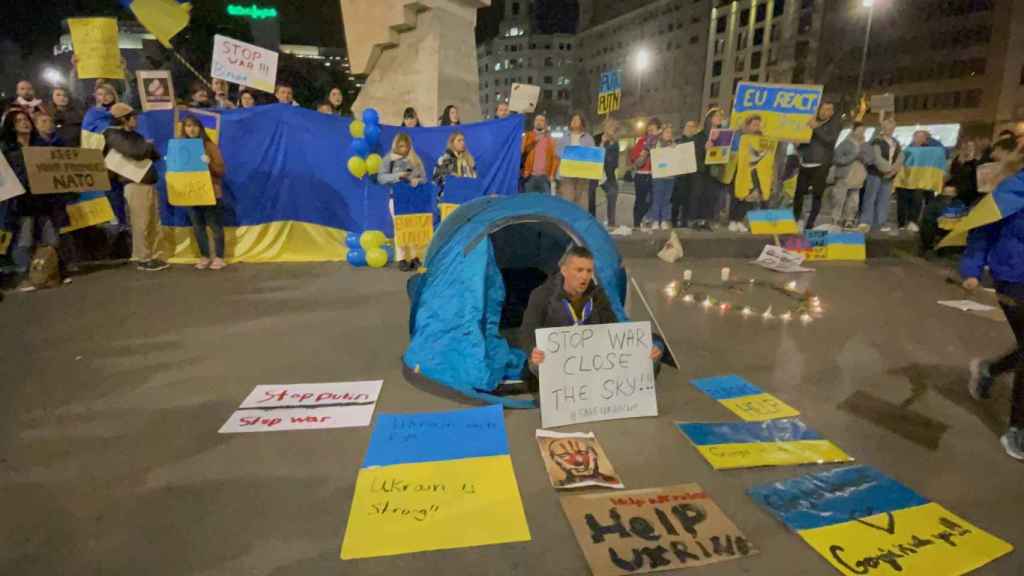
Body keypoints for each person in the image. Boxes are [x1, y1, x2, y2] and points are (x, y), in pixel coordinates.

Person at [521, 245, 664, 391]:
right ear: (564, 271)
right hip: (559, 360)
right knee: (536, 364)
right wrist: (533, 351)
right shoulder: (541, 295)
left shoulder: (597, 296)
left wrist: (641, 350)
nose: (584, 276)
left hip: (592, 361)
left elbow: (614, 329)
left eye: (589, 271)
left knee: (652, 356)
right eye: (579, 270)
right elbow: (527, 331)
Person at [963, 150, 1024, 460]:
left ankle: (989, 369)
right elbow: (982, 232)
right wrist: (972, 270)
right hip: (1013, 275)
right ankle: (1018, 428)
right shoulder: (1010, 190)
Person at [1, 109, 66, 291]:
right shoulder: (8, 150)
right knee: (24, 242)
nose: (24, 123)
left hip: (44, 202)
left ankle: (50, 274)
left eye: (26, 119)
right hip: (21, 205)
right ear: (12, 127)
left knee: (51, 240)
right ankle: (23, 277)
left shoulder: (41, 147)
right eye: (19, 121)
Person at [103, 103, 166, 271]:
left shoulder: (132, 135)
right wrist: (148, 146)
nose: (136, 120)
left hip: (146, 180)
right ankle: (142, 257)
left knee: (151, 220)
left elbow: (155, 155)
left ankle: (152, 254)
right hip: (134, 182)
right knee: (141, 221)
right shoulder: (113, 135)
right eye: (133, 117)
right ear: (124, 119)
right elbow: (137, 152)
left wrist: (147, 147)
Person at [180, 115, 227, 270]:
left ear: (200, 128)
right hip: (191, 194)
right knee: (197, 226)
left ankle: (219, 257)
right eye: (187, 126)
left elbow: (221, 171)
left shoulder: (209, 146)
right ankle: (205, 256)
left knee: (215, 225)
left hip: (211, 192)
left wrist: (210, 164)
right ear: (184, 129)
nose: (191, 129)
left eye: (194, 126)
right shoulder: (180, 147)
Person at [379, 133, 427, 272]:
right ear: (396, 145)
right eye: (401, 145)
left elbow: (424, 178)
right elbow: (381, 178)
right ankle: (401, 258)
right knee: (400, 228)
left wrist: (417, 181)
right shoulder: (389, 159)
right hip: (396, 198)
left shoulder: (415, 159)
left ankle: (414, 257)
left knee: (413, 227)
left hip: (413, 198)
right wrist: (398, 176)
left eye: (406, 145)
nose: (404, 148)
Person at [793, 101, 840, 230]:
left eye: (830, 109)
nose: (827, 112)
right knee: (798, 194)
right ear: (819, 110)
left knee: (817, 195)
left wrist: (816, 128)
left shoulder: (833, 125)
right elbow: (803, 143)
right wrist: (797, 144)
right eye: (824, 109)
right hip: (805, 164)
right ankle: (796, 219)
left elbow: (829, 140)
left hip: (821, 166)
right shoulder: (809, 122)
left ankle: (810, 223)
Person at [859, 118, 903, 232]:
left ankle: (880, 223)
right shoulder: (876, 141)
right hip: (875, 173)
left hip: (889, 176)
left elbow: (900, 157)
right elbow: (877, 158)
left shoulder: (896, 142)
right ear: (883, 128)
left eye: (892, 127)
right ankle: (865, 222)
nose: (890, 129)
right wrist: (888, 170)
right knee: (870, 198)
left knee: (884, 200)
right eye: (887, 127)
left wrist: (893, 171)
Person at [896, 130, 942, 233]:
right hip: (905, 180)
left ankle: (913, 221)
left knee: (917, 199)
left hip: (920, 182)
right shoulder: (907, 150)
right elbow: (901, 163)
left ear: (926, 139)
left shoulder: (931, 151)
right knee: (902, 200)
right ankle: (902, 223)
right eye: (917, 137)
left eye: (922, 137)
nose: (919, 139)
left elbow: (939, 159)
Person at [827, 122, 869, 229]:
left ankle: (849, 219)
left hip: (858, 176)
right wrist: (853, 157)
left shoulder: (864, 144)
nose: (861, 133)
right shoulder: (846, 143)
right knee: (839, 198)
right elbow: (836, 158)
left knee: (854, 200)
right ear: (854, 130)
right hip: (845, 175)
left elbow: (869, 159)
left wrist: (864, 158)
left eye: (863, 131)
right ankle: (835, 219)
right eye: (860, 130)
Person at [728, 115, 766, 232]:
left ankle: (740, 220)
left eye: (758, 125)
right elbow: (733, 150)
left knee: (749, 196)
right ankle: (732, 220)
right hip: (739, 169)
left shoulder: (761, 137)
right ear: (748, 125)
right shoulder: (738, 135)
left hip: (754, 170)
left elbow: (766, 152)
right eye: (754, 125)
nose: (756, 127)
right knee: (737, 195)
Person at [689, 107, 725, 231]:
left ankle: (706, 220)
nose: (719, 118)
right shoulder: (699, 136)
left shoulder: (722, 134)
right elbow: (694, 153)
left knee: (711, 195)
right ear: (709, 119)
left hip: (713, 170)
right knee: (698, 194)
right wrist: (705, 149)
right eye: (717, 116)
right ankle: (694, 220)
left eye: (720, 116)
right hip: (701, 170)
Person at [555, 112, 595, 209]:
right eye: (573, 120)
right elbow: (557, 152)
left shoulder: (588, 138)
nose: (574, 121)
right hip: (567, 174)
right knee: (567, 201)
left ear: (582, 123)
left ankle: (580, 223)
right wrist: (570, 155)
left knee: (582, 201)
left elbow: (592, 154)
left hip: (583, 175)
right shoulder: (564, 137)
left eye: (577, 120)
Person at [629, 118, 662, 231]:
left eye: (654, 127)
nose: (650, 129)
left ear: (659, 129)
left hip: (656, 175)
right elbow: (634, 159)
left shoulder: (660, 142)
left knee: (653, 201)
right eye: (649, 127)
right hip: (642, 175)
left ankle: (647, 221)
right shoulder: (641, 141)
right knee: (640, 201)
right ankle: (637, 224)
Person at [595, 118, 622, 231]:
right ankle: (593, 221)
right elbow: (596, 155)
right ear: (605, 128)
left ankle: (611, 222)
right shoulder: (598, 138)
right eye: (610, 128)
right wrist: (601, 143)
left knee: (614, 192)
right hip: (599, 173)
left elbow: (614, 161)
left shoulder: (616, 143)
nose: (612, 130)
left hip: (610, 173)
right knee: (611, 192)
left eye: (614, 129)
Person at [672, 120, 700, 229]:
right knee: (676, 200)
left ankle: (684, 222)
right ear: (684, 128)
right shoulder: (678, 141)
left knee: (688, 201)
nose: (690, 128)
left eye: (693, 127)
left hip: (692, 176)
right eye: (688, 126)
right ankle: (673, 221)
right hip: (679, 176)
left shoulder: (697, 142)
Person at [648, 123, 676, 230]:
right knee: (657, 198)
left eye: (670, 133)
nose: (669, 134)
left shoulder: (673, 144)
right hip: (658, 177)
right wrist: (656, 134)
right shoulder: (656, 142)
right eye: (667, 132)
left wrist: (675, 149)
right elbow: (648, 143)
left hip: (670, 177)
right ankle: (655, 220)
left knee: (666, 199)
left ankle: (664, 220)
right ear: (662, 133)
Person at [521, 114, 556, 194]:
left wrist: (552, 174)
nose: (539, 122)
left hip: (545, 177)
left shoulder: (550, 139)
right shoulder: (527, 136)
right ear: (534, 123)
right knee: (529, 204)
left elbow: (555, 158)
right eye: (537, 120)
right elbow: (522, 152)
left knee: (545, 204)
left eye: (541, 120)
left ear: (545, 124)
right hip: (529, 176)